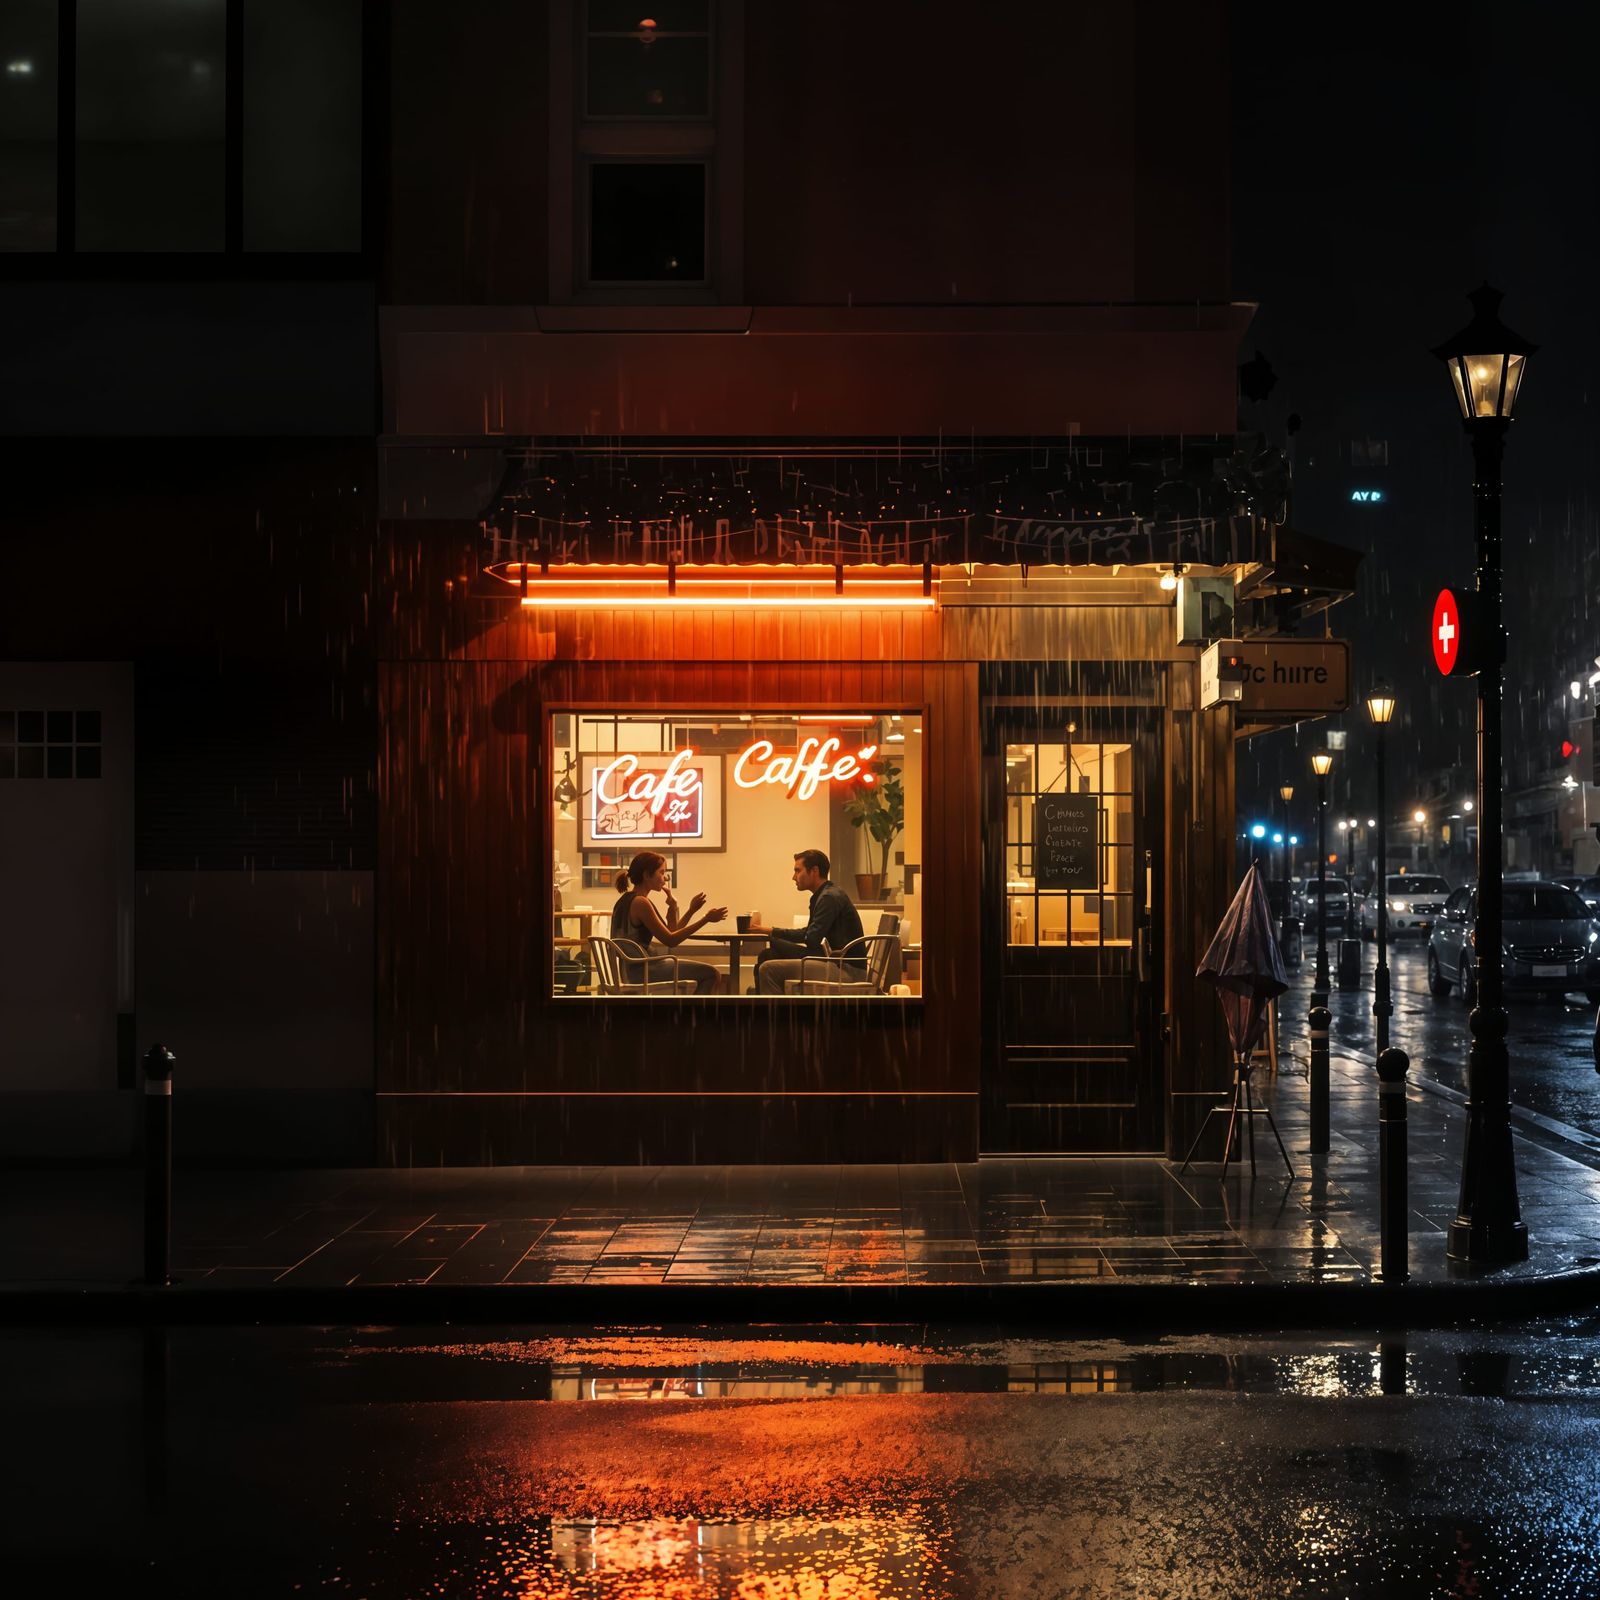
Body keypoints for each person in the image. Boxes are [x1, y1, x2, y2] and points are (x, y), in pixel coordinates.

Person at [610, 852, 727, 994]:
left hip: (633, 970)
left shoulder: (626, 900)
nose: (665, 878)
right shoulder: (641, 902)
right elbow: (671, 940)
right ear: (646, 875)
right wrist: (706, 919)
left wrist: (682, 908)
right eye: (661, 872)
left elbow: (672, 932)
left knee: (709, 973)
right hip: (644, 971)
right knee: (712, 974)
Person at [753, 849, 866, 995]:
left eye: (798, 871)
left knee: (768, 967)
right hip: (836, 962)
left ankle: (772, 1008)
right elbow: (810, 934)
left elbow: (811, 939)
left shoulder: (828, 898)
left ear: (814, 871)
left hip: (846, 970)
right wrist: (772, 932)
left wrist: (773, 938)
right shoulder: (824, 895)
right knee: (768, 955)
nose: (794, 877)